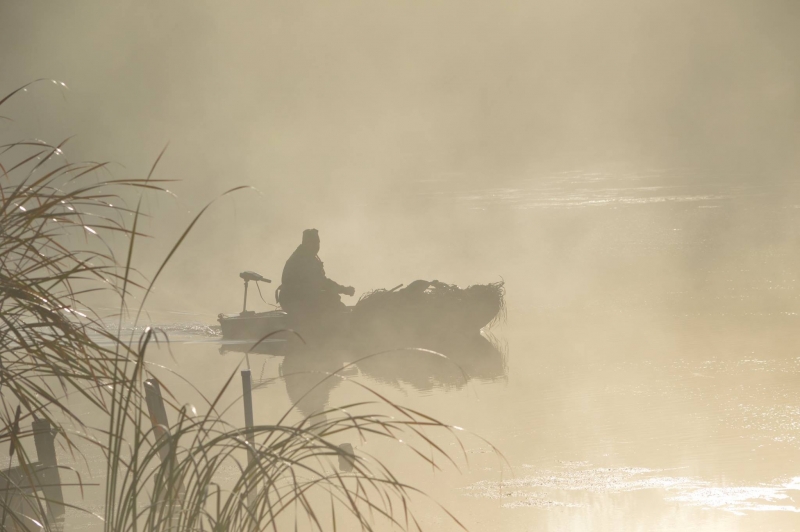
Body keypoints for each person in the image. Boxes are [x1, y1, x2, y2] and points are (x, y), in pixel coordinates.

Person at [277, 229, 355, 318]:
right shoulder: (302, 259)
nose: (317, 246)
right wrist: (344, 290)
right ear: (306, 243)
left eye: (318, 243)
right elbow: (322, 283)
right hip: (294, 301)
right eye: (313, 243)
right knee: (332, 299)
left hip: (297, 298)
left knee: (331, 297)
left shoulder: (306, 256)